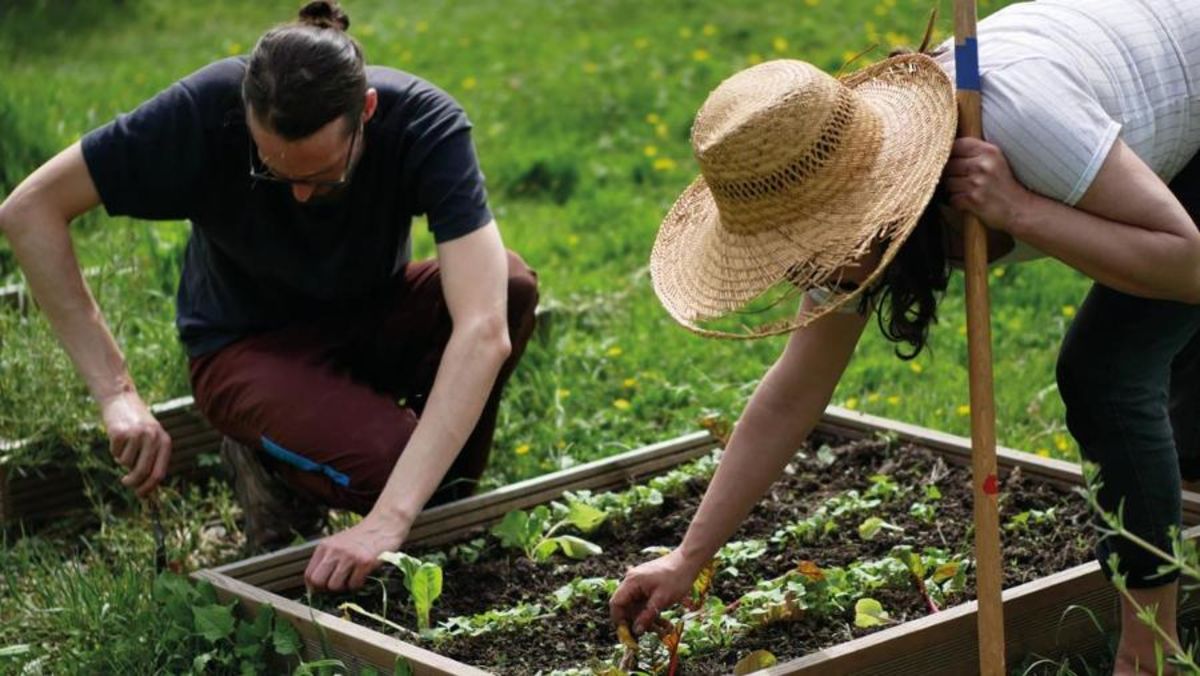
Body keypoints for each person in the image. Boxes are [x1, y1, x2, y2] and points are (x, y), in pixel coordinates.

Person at [610, 1, 1199, 672]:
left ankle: (1148, 654)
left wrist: (1020, 211)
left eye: (811, 247)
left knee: (1107, 377)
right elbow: (795, 391)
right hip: (1150, 124)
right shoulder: (843, 217)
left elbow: (1190, 265)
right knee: (1172, 427)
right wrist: (688, 557)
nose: (810, 271)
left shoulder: (1014, 119)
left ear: (861, 201)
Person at [0, 0, 538, 593]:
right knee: (394, 471)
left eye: (322, 176)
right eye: (275, 175)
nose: (302, 197)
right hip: (246, 349)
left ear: (365, 112)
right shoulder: (203, 112)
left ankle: (432, 511)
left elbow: (484, 325)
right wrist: (116, 393)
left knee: (510, 286)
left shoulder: (423, 124)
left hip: (368, 315)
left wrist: (390, 521)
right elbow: (30, 211)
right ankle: (277, 469)